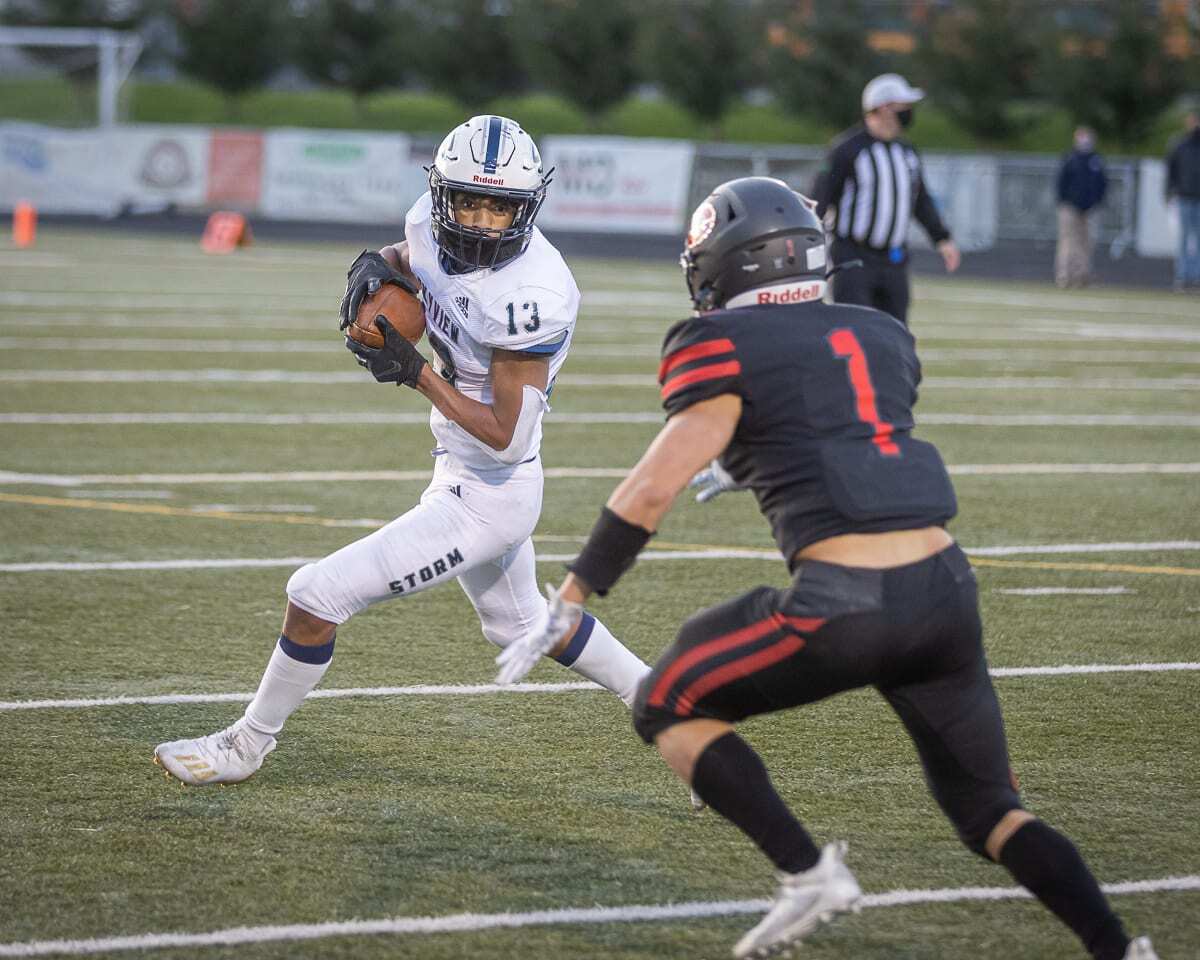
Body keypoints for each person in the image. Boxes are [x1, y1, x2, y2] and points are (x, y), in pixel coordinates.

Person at [496, 177, 1158, 960]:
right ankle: (1122, 951)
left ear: (728, 267)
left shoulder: (713, 343)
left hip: (849, 604)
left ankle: (808, 873)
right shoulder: (881, 333)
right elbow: (842, 426)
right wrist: (760, 458)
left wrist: (572, 596)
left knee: (667, 701)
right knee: (990, 813)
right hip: (946, 592)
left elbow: (651, 488)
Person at [154, 115, 651, 785]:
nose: (479, 221)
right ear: (441, 195)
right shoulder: (426, 223)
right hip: (461, 469)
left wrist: (415, 372)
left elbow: (507, 439)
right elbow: (404, 257)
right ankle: (669, 702)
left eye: (498, 206)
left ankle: (246, 746)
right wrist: (372, 269)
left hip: (490, 494)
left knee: (315, 595)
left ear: (527, 207)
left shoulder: (532, 294)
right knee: (521, 624)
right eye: (468, 201)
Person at [811, 73, 960, 327]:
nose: (909, 112)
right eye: (903, 106)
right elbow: (820, 198)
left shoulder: (907, 152)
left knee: (895, 333)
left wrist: (941, 238)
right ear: (884, 107)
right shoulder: (847, 150)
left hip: (894, 261)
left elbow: (920, 200)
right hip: (853, 256)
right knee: (856, 329)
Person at [1055, 126, 1107, 288]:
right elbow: (1060, 182)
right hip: (1070, 206)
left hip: (1090, 207)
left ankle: (1082, 276)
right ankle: (1064, 275)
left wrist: (1097, 201)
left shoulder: (1096, 160)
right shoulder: (1070, 158)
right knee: (1069, 241)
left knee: (1087, 242)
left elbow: (1103, 183)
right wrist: (1064, 201)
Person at [1166, 110, 1200, 292]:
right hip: (1185, 197)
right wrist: (1169, 192)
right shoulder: (1180, 145)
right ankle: (1182, 277)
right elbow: (1171, 170)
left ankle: (1196, 277)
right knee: (1184, 238)